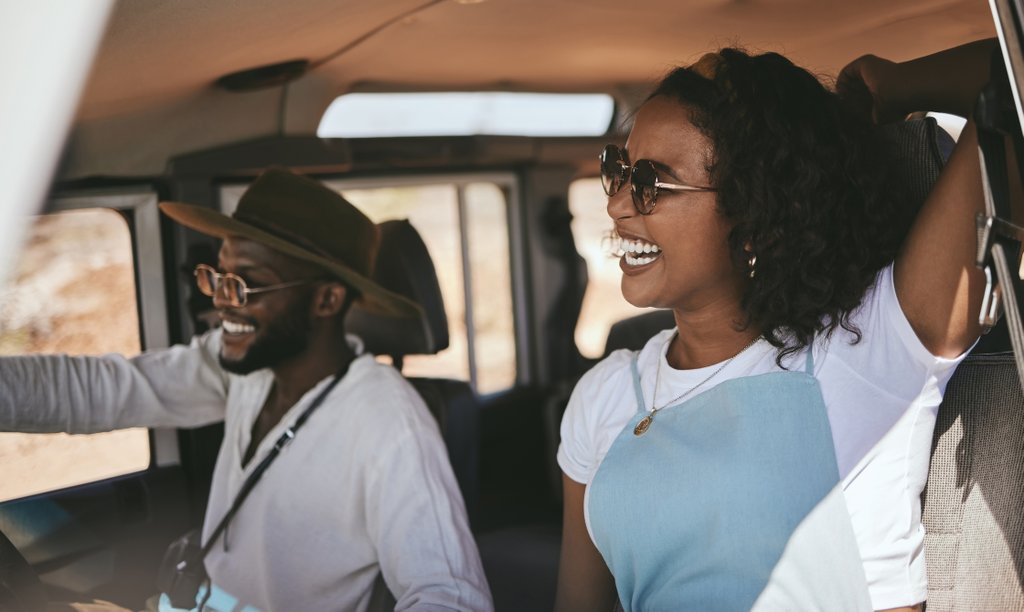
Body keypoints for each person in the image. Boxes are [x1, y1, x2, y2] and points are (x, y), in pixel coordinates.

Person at [555, 40, 996, 612]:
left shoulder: (868, 349)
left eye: (652, 182)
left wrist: (899, 87)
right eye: (619, 170)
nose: (617, 205)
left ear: (756, 218)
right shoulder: (605, 394)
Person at [0, 168, 493, 612]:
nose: (221, 304)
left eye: (246, 286)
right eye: (217, 278)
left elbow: (452, 597)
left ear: (326, 299)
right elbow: (110, 388)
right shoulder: (247, 368)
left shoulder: (389, 423)